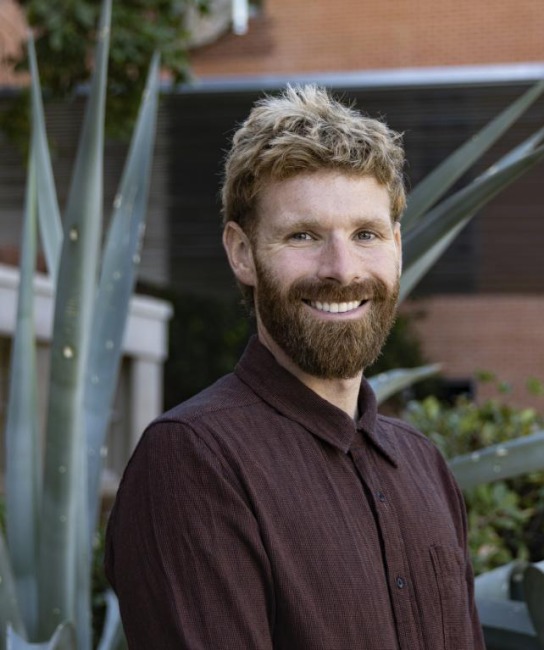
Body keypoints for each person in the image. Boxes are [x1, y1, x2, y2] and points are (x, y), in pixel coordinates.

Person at [105, 85, 485, 649]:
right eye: (303, 236)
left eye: (366, 235)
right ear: (242, 253)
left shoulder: (423, 464)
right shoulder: (192, 463)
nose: (342, 269)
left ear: (397, 247)